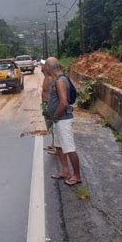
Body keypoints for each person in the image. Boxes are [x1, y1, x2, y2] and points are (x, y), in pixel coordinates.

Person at [45, 57, 81, 186]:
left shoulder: (60, 81)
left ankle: (77, 175)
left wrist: (55, 116)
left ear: (50, 67)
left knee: (69, 148)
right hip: (58, 119)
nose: (44, 69)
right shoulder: (57, 79)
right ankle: (65, 171)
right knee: (59, 146)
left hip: (62, 120)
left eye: (45, 67)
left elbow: (64, 102)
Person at [41, 64, 56, 154]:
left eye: (44, 67)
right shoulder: (46, 78)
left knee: (53, 126)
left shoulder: (50, 79)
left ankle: (56, 147)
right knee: (50, 126)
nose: (42, 67)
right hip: (46, 104)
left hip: (49, 104)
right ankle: (53, 144)